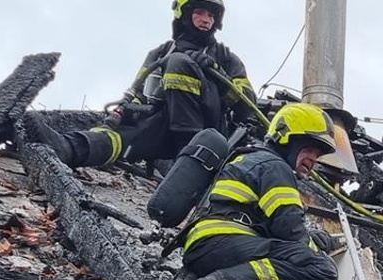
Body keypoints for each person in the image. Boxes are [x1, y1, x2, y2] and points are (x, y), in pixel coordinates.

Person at [47, 0, 256, 170]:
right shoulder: (160, 53)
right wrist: (128, 111)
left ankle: (187, 151)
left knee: (178, 63)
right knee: (123, 137)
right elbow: (138, 91)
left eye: (211, 15)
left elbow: (247, 105)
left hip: (207, 132)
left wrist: (218, 75)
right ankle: (68, 148)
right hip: (162, 122)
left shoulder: (226, 58)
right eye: (200, 12)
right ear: (184, 14)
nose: (206, 20)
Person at [181, 102, 338, 280]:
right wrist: (320, 248)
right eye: (309, 148)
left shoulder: (251, 157)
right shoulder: (275, 167)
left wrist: (313, 239)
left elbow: (275, 229)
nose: (313, 159)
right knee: (322, 269)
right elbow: (290, 230)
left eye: (317, 155)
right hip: (222, 243)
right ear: (287, 139)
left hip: (205, 247)